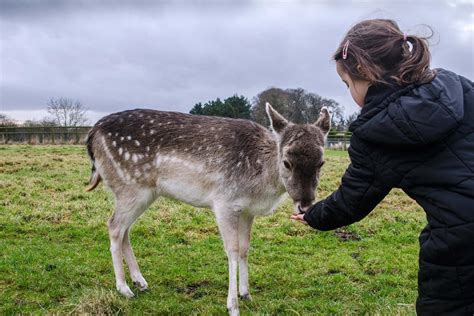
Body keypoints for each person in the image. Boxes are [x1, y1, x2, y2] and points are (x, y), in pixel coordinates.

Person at [291, 19, 474, 315]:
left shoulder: (376, 133)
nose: (349, 92)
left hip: (460, 242)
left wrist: (315, 215)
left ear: (362, 72)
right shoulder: (455, 84)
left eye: (347, 84)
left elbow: (352, 200)